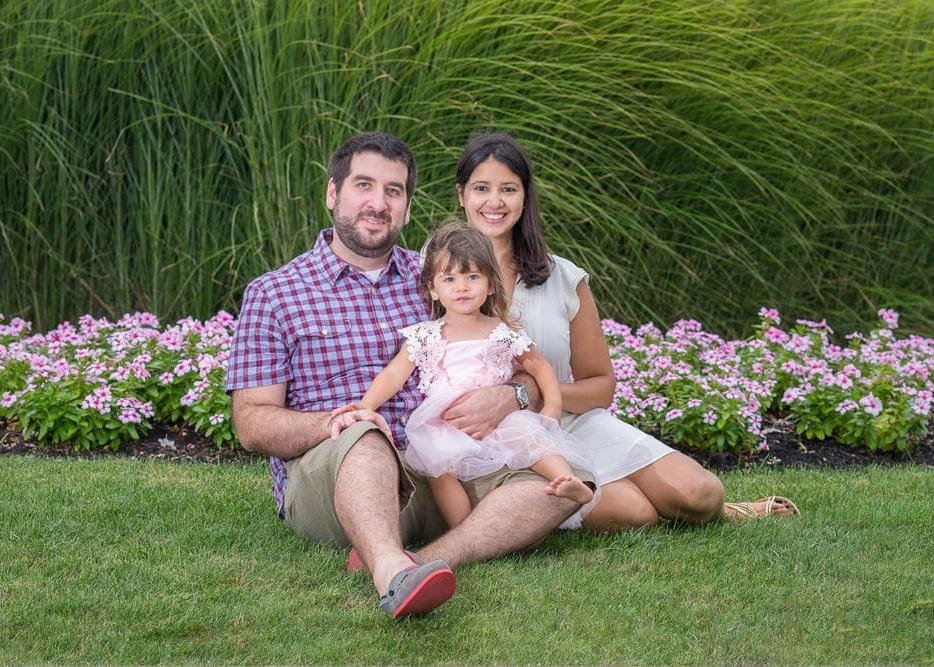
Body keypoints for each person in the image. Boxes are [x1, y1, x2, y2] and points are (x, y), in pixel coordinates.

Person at [225, 132, 593, 619]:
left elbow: (516, 361)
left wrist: (510, 397)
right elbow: (250, 423)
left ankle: (429, 558)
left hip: (442, 466)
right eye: (363, 186)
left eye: (393, 191)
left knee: (569, 480)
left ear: (407, 205)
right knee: (364, 436)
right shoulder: (274, 293)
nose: (378, 203)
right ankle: (391, 574)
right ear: (332, 193)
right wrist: (337, 423)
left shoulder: (442, 278)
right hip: (340, 480)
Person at [442, 132, 800, 532]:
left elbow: (601, 386)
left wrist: (530, 394)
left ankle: (719, 509)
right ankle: (642, 501)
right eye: (481, 189)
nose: (494, 202)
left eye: (508, 188)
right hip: (495, 441)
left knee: (701, 493)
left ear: (526, 196)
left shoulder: (562, 278)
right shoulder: (432, 272)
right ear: (461, 195)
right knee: (635, 512)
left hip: (567, 419)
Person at [329, 219, 595, 530]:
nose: (463, 287)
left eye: (472, 276)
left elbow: (539, 366)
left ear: (490, 284)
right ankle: (465, 528)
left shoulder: (502, 331)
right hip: (446, 421)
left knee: (531, 440)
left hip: (499, 417)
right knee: (440, 470)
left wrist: (551, 406)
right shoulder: (427, 335)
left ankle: (568, 481)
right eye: (450, 279)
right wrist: (366, 405)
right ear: (433, 289)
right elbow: (393, 375)